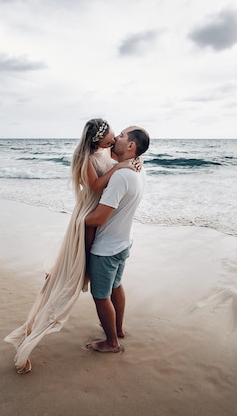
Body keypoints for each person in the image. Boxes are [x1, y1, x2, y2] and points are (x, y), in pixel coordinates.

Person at [4, 119, 141, 374]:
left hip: (100, 218)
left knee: (104, 287)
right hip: (94, 215)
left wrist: (132, 162)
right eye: (112, 134)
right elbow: (96, 185)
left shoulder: (105, 151)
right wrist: (122, 165)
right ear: (98, 139)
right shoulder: (86, 157)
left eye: (118, 135)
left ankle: (113, 336)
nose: (115, 138)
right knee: (91, 267)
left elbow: (122, 160)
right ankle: (70, 278)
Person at [84, 126, 150, 353]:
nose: (117, 138)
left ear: (131, 146)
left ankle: (112, 342)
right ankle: (118, 330)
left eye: (121, 136)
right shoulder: (138, 169)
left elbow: (99, 218)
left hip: (107, 248)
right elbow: (111, 159)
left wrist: (79, 222)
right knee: (116, 286)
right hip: (123, 242)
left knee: (101, 296)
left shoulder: (122, 176)